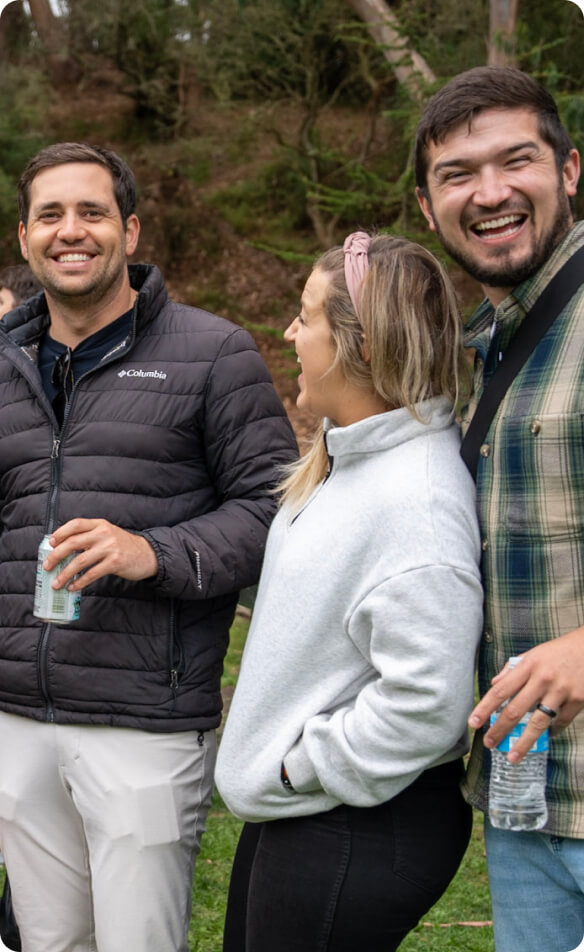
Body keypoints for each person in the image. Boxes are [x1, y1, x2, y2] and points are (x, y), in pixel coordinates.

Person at [0, 141, 297, 952]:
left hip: (144, 723)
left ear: (129, 232)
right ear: (24, 238)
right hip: (16, 721)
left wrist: (154, 552)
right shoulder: (4, 364)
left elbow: (280, 514)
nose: (72, 230)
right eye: (50, 215)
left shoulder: (214, 354)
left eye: (92, 212)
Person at [215, 232, 484, 952]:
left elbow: (429, 699)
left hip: (355, 819)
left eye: (307, 317)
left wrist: (300, 764)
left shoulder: (416, 500)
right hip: (305, 812)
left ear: (357, 344)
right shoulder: (348, 461)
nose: (290, 332)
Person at [415, 65, 584, 952]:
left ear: (568, 168)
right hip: (527, 796)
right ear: (426, 205)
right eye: (457, 174)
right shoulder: (478, 351)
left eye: (514, 160)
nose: (489, 192)